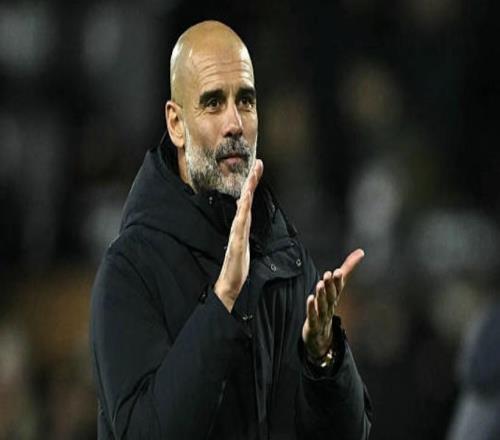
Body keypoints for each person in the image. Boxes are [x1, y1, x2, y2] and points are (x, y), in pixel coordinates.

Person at [90, 20, 372, 439]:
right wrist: (224, 301)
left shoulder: (283, 257)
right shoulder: (130, 270)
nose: (235, 123)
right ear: (176, 124)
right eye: (213, 103)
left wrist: (324, 359)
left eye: (245, 100)